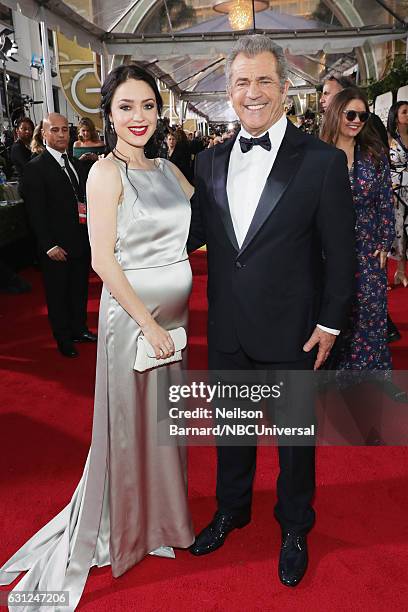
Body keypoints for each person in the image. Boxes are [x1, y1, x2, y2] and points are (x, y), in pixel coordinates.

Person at [0, 65, 195, 610]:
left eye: (148, 107)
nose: (139, 117)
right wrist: (149, 323)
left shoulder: (168, 170)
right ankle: (126, 529)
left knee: (163, 425)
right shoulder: (104, 174)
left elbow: (200, 226)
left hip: (172, 325)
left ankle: (163, 519)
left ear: (161, 113)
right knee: (129, 428)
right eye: (127, 107)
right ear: (108, 114)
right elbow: (105, 262)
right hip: (134, 322)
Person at [187, 35, 355, 587]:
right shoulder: (207, 161)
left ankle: (294, 525)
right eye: (241, 82)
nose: (252, 92)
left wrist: (331, 321)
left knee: (294, 441)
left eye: (263, 80)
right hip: (229, 327)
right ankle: (232, 510)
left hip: (295, 330)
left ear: (284, 87)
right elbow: (191, 237)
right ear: (228, 92)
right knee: (231, 431)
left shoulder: (323, 162)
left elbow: (341, 251)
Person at [321, 88, 396, 436]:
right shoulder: (317, 155)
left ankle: (368, 413)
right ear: (336, 114)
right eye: (350, 114)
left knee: (368, 326)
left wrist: (384, 243)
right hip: (324, 255)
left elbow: (385, 203)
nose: (356, 121)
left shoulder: (374, 156)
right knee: (331, 323)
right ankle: (327, 391)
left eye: (362, 116)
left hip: (366, 254)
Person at [20, 113, 96, 357]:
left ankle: (79, 329)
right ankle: (63, 339)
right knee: (57, 295)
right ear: (43, 134)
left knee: (78, 289)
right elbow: (35, 213)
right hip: (55, 247)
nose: (62, 134)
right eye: (55, 130)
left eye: (65, 130)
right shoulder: (35, 168)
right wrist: (48, 245)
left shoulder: (73, 162)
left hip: (80, 241)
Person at [388, 101, 408, 286]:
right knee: (398, 231)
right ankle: (398, 271)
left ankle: (402, 271)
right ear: (396, 117)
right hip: (396, 191)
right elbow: (385, 166)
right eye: (405, 112)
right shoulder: (389, 140)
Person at [10, 117, 34, 184]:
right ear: (17, 130)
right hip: (27, 185)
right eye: (24, 129)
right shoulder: (17, 147)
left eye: (29, 129)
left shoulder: (31, 145)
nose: (28, 131)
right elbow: (28, 166)